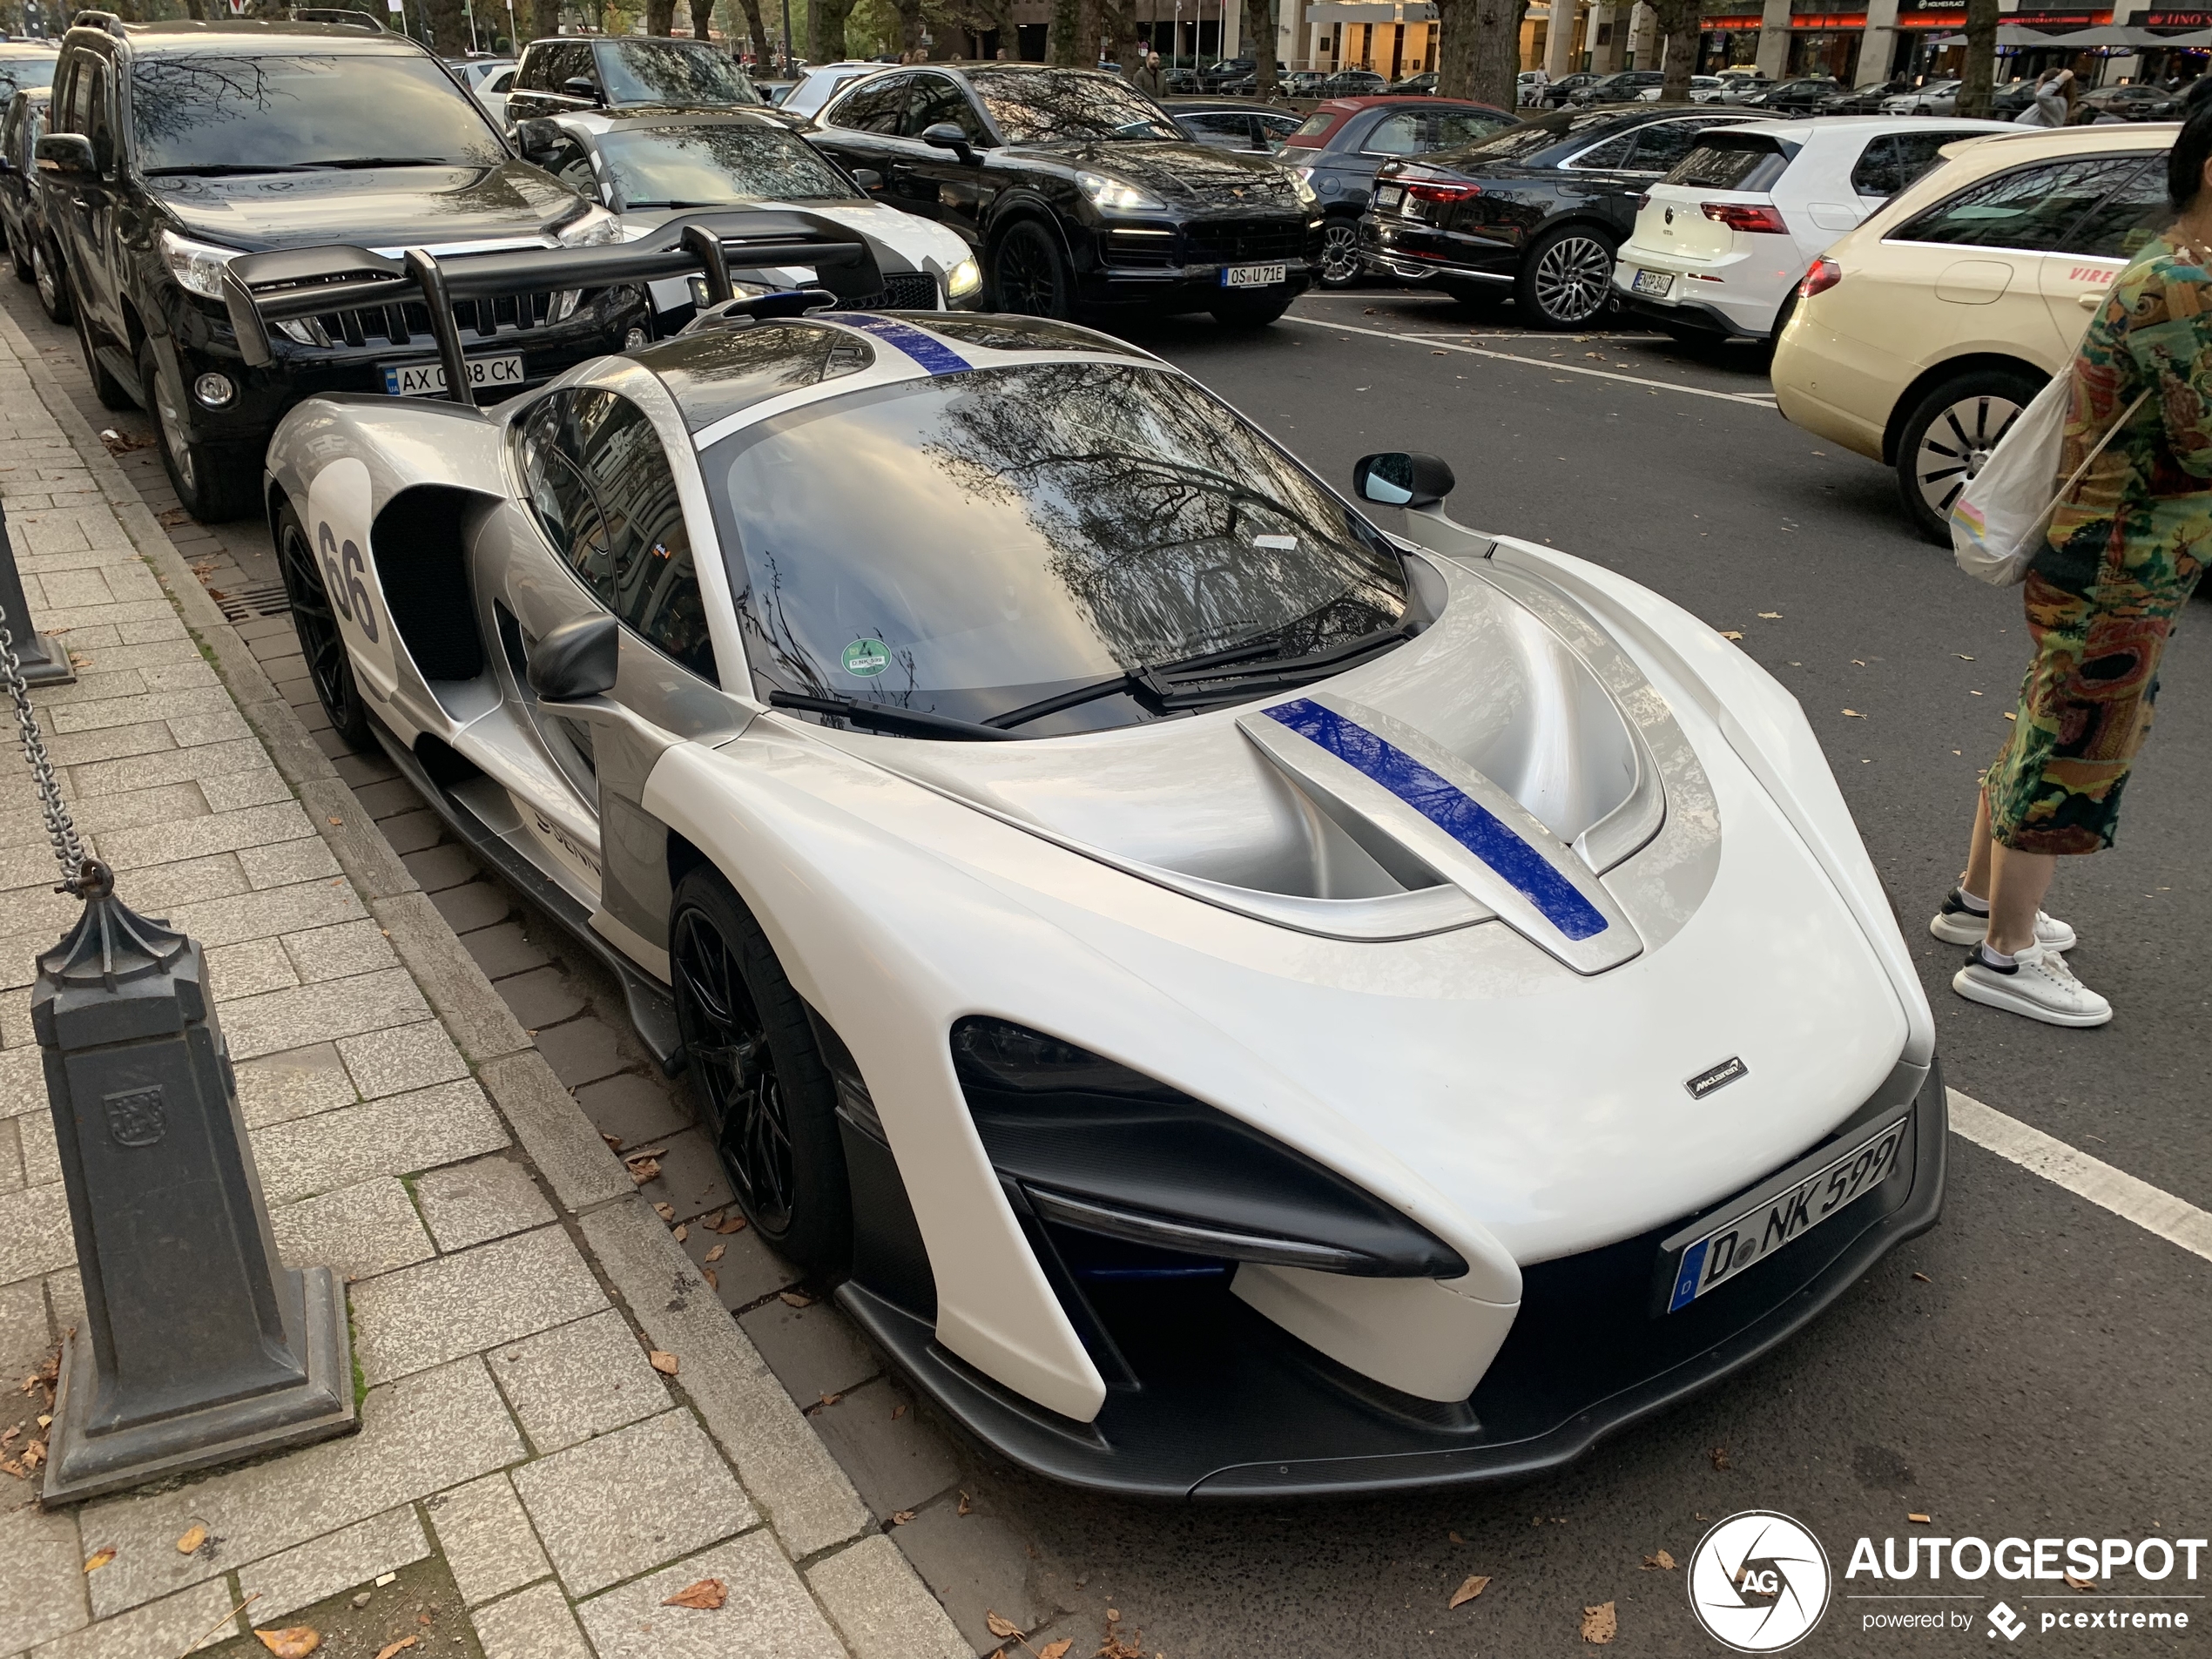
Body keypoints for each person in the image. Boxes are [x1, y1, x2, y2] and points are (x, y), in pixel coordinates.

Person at [1939, 102, 2212, 1027]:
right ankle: (2005, 956)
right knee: (2077, 740)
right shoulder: (2179, 286)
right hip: (2120, 562)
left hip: (2108, 554)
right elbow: (2202, 440)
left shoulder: (2177, 269)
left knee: (2045, 717)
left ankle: (1979, 899)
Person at [2013, 66, 2077, 127]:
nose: (2036, 85)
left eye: (2039, 82)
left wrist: (2060, 79)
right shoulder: (2044, 103)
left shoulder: (2058, 103)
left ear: (2046, 86)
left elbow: (2041, 95)